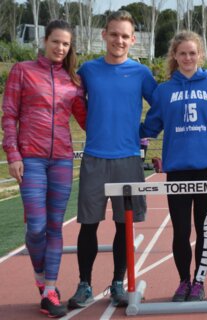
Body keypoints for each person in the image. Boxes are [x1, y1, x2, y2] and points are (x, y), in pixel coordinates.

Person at [67, 11, 157, 309]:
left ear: (133, 40)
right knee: (89, 225)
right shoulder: (88, 71)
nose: (119, 40)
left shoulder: (142, 73)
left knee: (124, 225)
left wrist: (145, 131)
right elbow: (74, 103)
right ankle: (84, 285)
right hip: (95, 159)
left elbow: (160, 105)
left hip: (128, 160)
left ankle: (118, 283)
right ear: (104, 35)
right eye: (114, 34)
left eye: (124, 36)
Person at [1, 20, 86, 317]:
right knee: (36, 228)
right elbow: (10, 115)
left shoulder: (72, 81)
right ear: (45, 40)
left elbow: (87, 120)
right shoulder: (22, 71)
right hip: (31, 158)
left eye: (66, 44)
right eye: (56, 42)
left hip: (62, 159)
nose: (61, 48)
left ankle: (50, 288)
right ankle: (42, 280)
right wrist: (13, 154)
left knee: (55, 226)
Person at [140, 31, 207, 302]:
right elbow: (149, 128)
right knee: (180, 229)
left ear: (200, 55)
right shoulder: (163, 91)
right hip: (177, 169)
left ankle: (199, 283)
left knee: (204, 228)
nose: (188, 58)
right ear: (174, 56)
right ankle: (183, 282)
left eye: (192, 53)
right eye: (182, 53)